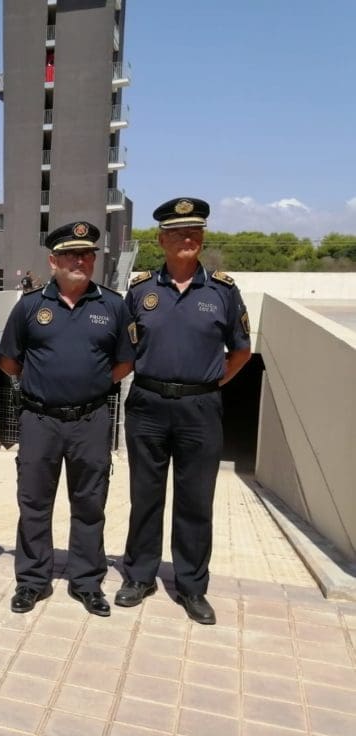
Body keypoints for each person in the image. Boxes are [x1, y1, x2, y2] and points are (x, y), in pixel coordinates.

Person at [117, 198, 252, 625]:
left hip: (200, 407)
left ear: (203, 237)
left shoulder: (223, 292)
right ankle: (139, 576)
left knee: (196, 500)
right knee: (145, 495)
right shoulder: (140, 290)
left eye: (194, 232)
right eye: (177, 233)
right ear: (161, 240)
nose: (186, 239)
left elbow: (242, 352)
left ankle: (192, 586)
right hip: (148, 404)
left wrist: (210, 385)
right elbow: (123, 350)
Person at [0, 222, 135, 616]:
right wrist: (41, 385)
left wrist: (90, 385)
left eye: (87, 254)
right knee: (34, 503)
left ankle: (87, 582)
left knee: (90, 504)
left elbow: (125, 362)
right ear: (53, 260)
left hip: (90, 420)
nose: (80, 260)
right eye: (72, 255)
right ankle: (32, 581)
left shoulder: (112, 305)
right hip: (39, 420)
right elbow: (9, 359)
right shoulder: (29, 306)